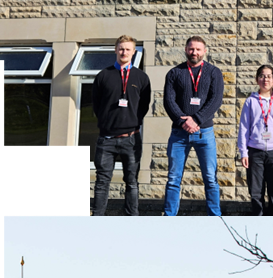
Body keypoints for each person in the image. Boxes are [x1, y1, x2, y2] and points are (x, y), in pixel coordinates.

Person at [162, 36, 224, 216]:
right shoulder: (174, 73)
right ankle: (169, 216)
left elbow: (215, 100)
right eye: (191, 49)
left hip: (205, 133)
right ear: (185, 49)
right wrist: (183, 121)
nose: (194, 52)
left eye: (198, 49)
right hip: (179, 134)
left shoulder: (214, 73)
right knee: (173, 178)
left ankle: (215, 217)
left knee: (211, 178)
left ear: (204, 51)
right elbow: (168, 101)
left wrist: (195, 119)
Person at [91, 35, 151, 215]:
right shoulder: (103, 75)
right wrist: (107, 122)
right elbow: (96, 104)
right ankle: (98, 217)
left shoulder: (141, 77)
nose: (124, 52)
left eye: (128, 49)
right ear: (116, 50)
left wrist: (132, 122)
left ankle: (132, 217)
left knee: (132, 181)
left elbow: (144, 105)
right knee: (102, 181)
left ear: (134, 52)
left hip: (131, 139)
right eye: (121, 48)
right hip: (106, 139)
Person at [237, 64, 273, 215]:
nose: (265, 79)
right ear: (256, 79)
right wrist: (243, 152)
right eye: (262, 76)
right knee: (256, 192)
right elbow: (244, 128)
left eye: (268, 76)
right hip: (255, 152)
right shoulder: (250, 101)